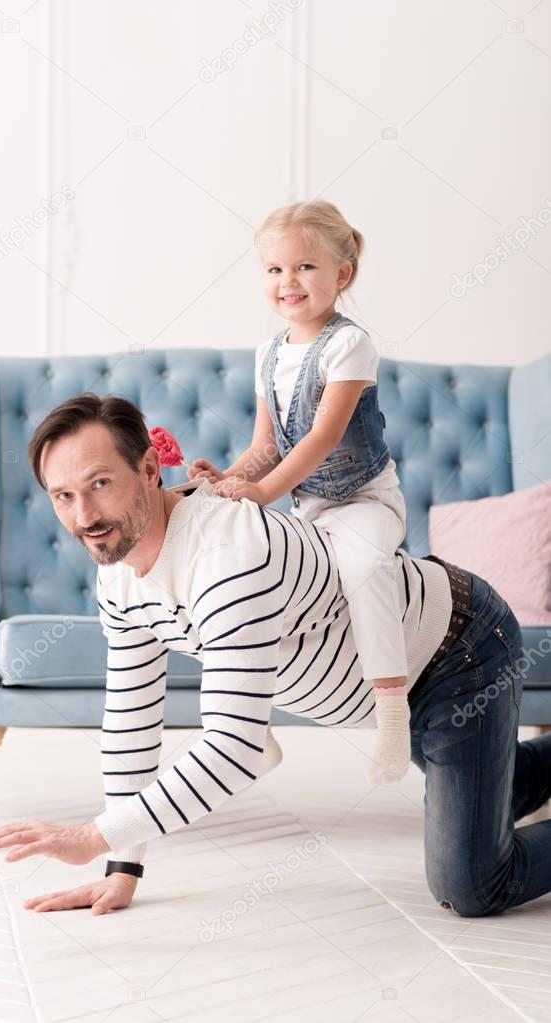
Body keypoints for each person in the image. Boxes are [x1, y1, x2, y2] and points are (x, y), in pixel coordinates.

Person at [0, 393, 551, 921]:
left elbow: (235, 747)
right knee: (510, 785)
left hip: (459, 651)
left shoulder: (227, 554)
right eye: (63, 496)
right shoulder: (119, 581)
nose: (84, 517)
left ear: (149, 470)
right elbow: (130, 721)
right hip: (395, 690)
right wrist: (122, 866)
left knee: (473, 885)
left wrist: (92, 837)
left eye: (99, 483)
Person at [189, 200, 410, 785]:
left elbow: (320, 437)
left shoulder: (349, 345)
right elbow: (267, 444)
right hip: (308, 510)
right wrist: (230, 480)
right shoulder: (267, 355)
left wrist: (260, 493)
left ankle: (392, 716)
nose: (288, 282)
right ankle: (248, 724)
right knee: (236, 573)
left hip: (364, 502)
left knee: (365, 566)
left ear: (342, 274)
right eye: (274, 270)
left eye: (305, 268)